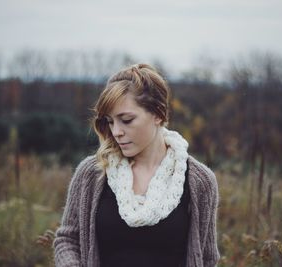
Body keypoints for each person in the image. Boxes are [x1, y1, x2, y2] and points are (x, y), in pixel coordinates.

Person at [53, 63, 220, 267]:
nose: (116, 132)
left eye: (126, 120)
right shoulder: (92, 173)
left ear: (158, 114)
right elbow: (67, 240)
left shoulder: (199, 181)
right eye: (110, 121)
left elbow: (207, 257)